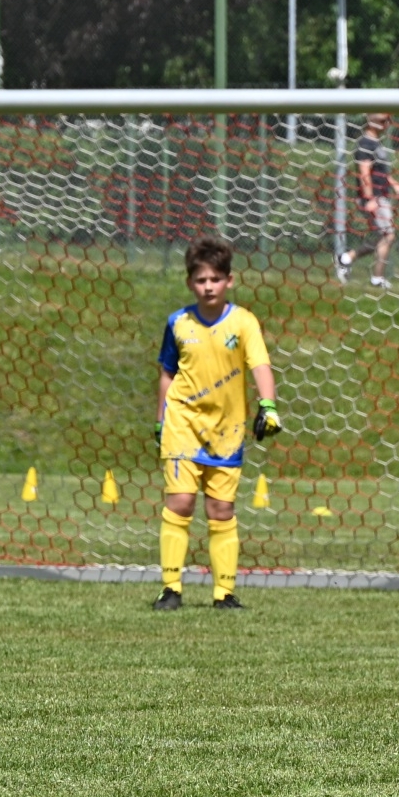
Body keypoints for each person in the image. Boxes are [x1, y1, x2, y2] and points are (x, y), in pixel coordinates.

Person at [154, 235, 280, 611]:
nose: (208, 286)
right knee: (180, 502)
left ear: (229, 280)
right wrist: (161, 420)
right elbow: (167, 373)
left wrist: (269, 405)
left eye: (215, 279)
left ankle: (224, 593)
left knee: (221, 510)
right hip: (182, 423)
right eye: (201, 280)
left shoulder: (243, 322)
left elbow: (260, 364)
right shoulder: (178, 322)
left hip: (227, 429)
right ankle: (170, 589)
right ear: (189, 283)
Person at [338, 113, 399, 288]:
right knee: (388, 235)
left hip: (381, 196)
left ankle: (346, 258)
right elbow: (364, 173)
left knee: (382, 237)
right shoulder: (365, 144)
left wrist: (395, 184)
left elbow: (380, 172)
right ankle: (377, 279)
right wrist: (369, 199)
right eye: (383, 121)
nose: (387, 124)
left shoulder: (376, 144)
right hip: (374, 197)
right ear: (370, 122)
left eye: (388, 120)